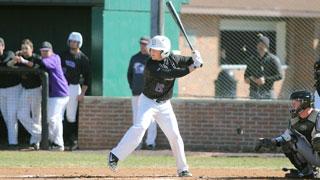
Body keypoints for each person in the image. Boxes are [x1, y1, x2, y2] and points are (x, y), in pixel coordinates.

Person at [108, 35, 203, 177]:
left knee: (175, 136)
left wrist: (196, 57)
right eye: (152, 49)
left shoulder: (173, 59)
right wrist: (194, 67)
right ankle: (114, 156)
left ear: (164, 52)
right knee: (139, 128)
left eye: (156, 50)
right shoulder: (151, 65)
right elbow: (172, 73)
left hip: (165, 105)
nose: (152, 52)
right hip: (148, 102)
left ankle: (183, 169)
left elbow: (188, 61)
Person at [255, 91, 320, 178]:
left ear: (305, 102)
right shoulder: (294, 120)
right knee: (288, 142)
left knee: (318, 140)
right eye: (292, 101)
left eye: (296, 101)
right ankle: (307, 172)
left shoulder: (318, 115)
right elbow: (286, 136)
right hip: (314, 156)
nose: (293, 104)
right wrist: (271, 141)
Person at [23, 41, 69, 151]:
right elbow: (38, 63)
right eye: (42, 51)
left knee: (52, 119)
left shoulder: (54, 58)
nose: (44, 53)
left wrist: (29, 57)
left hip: (60, 93)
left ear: (51, 51)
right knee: (54, 119)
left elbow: (42, 63)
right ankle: (57, 143)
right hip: (52, 94)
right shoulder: (44, 59)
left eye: (46, 51)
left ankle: (57, 143)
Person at [9, 39, 42, 150]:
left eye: (26, 48)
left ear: (31, 49)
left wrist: (23, 61)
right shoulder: (19, 57)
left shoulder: (36, 57)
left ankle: (35, 142)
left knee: (37, 116)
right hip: (25, 89)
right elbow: (9, 65)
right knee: (21, 114)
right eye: (22, 48)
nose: (24, 50)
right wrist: (14, 60)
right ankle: (40, 133)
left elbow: (37, 66)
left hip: (36, 89)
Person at [60, 32, 90, 151]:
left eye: (75, 42)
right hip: (61, 87)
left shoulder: (83, 58)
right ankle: (59, 140)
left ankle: (71, 140)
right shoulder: (63, 55)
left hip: (73, 87)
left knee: (71, 115)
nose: (73, 43)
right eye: (71, 41)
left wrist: (82, 93)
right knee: (59, 114)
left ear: (79, 43)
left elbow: (87, 77)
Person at [127, 36, 157, 150]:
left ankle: (150, 142)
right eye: (142, 44)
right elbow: (129, 74)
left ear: (149, 45)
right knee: (137, 119)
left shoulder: (152, 58)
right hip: (137, 93)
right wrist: (133, 86)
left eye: (145, 44)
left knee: (151, 119)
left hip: (150, 95)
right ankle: (137, 143)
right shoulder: (135, 58)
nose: (143, 46)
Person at [244, 34, 282, 99]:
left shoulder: (273, 59)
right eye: (259, 44)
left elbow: (279, 76)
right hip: (254, 92)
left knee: (270, 108)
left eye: (263, 44)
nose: (260, 46)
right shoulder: (252, 59)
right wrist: (251, 79)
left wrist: (265, 79)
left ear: (267, 46)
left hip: (268, 92)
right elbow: (246, 75)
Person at [0, 37, 21, 148]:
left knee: (12, 115)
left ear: (3, 46)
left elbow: (6, 62)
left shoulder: (9, 53)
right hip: (1, 90)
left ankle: (13, 143)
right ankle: (12, 140)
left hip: (13, 88)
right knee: (6, 116)